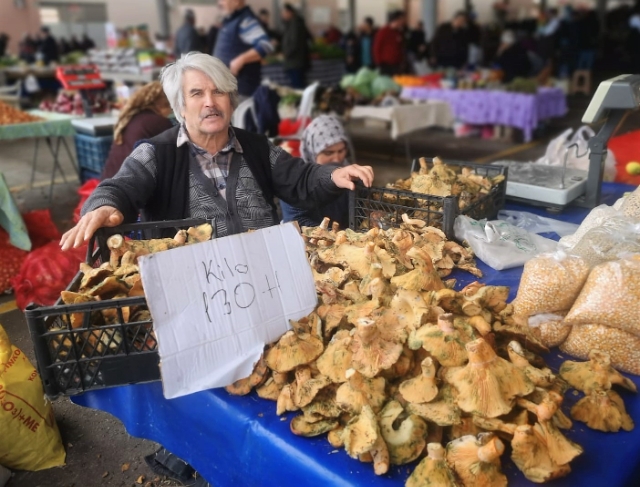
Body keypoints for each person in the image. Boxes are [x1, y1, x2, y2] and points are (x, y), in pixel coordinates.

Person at [60, 52, 373, 252]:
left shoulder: (256, 148)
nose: (210, 101)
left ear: (231, 101)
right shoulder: (158, 154)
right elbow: (121, 186)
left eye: (219, 91)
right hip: (193, 293)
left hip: (262, 280)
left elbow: (301, 178)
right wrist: (103, 206)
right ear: (180, 108)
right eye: (197, 93)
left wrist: (333, 174)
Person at [280, 115, 352, 229]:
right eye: (328, 153)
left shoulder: (351, 176)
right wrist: (338, 237)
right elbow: (296, 223)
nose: (337, 159)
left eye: (341, 151)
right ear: (312, 150)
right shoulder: (296, 180)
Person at [101, 81, 174, 180]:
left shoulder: (130, 118)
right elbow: (175, 159)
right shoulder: (158, 122)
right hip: (132, 188)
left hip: (109, 184)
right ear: (164, 104)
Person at [214, 0, 273, 98]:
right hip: (228, 90)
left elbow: (266, 45)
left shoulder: (245, 21)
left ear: (236, 1)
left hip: (240, 92)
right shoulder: (231, 20)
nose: (219, 3)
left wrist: (241, 60)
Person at [281, 3, 312, 89]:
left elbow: (294, 43)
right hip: (296, 62)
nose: (282, 15)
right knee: (298, 86)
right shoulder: (292, 23)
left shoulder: (295, 24)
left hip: (295, 62)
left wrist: (286, 54)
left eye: (284, 12)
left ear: (290, 12)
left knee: (298, 88)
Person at [373, 10, 406, 75]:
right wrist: (379, 63)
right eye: (401, 20)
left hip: (397, 65)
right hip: (385, 65)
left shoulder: (399, 32)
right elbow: (377, 48)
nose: (402, 22)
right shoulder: (383, 31)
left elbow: (400, 48)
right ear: (396, 20)